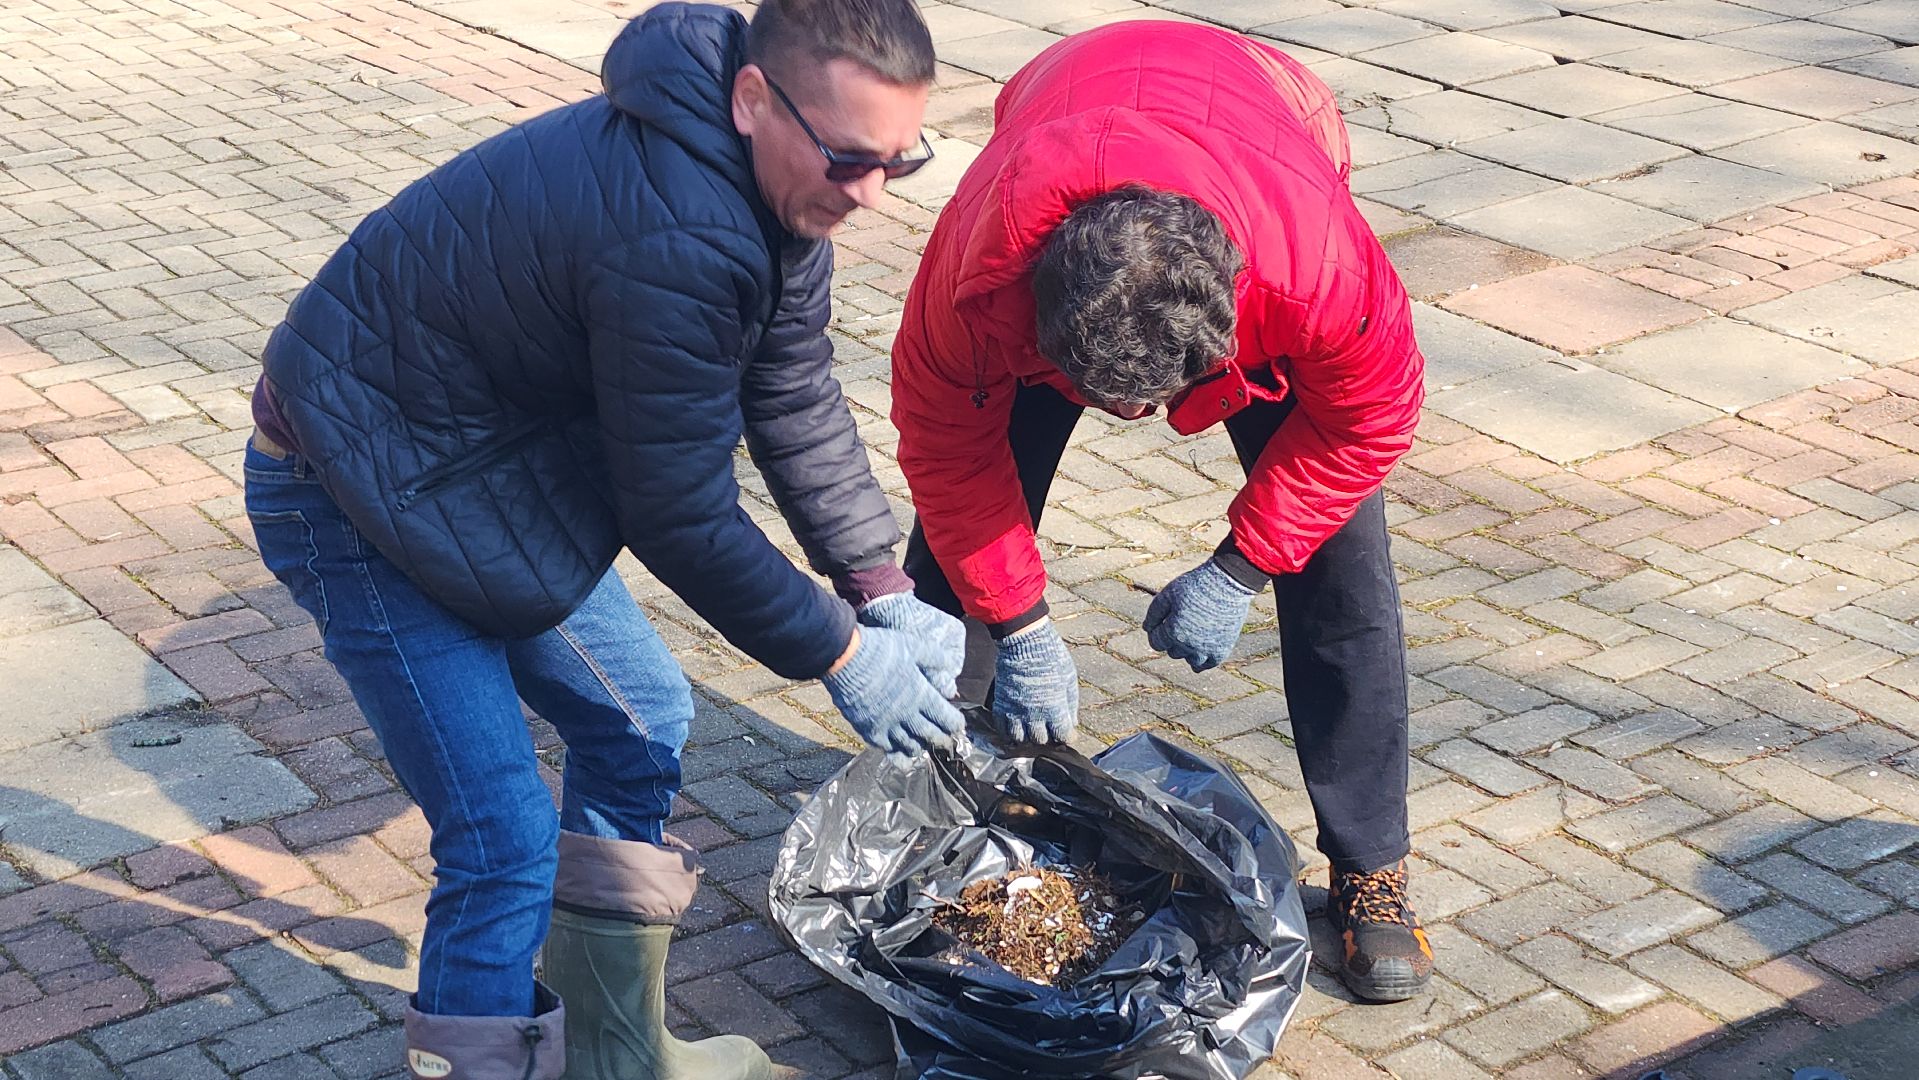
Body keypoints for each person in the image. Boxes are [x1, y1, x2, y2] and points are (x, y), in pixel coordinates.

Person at [244, 2, 960, 1077]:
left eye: (896, 163)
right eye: (850, 159)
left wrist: (878, 583)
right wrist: (840, 652)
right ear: (752, 97)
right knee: (499, 844)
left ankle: (610, 1051)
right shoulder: (675, 232)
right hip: (352, 487)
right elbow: (675, 511)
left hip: (479, 472)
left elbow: (795, 389)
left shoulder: (780, 190)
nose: (868, 193)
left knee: (641, 717)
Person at [890, 21, 1432, 1004]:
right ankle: (941, 820)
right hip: (1058, 117)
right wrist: (1014, 621)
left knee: (1345, 571)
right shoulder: (974, 286)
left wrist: (1242, 564)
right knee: (944, 565)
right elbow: (945, 452)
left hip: (1265, 135)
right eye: (1108, 401)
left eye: (1150, 403)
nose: (1135, 426)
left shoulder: (1311, 267)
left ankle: (1371, 870)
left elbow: (1370, 421)